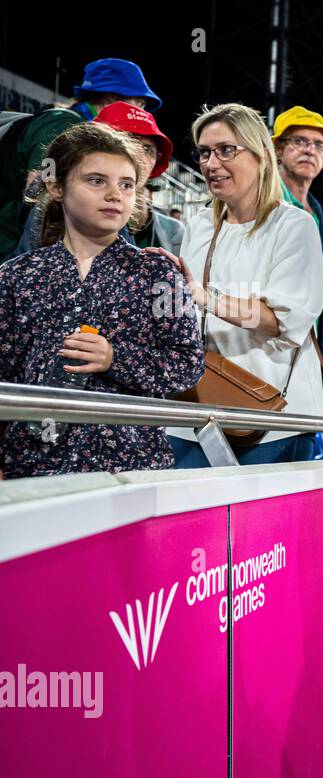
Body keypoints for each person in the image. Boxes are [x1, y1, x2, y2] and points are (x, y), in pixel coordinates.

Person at [0, 123, 203, 477]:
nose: (115, 194)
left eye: (126, 184)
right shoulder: (17, 277)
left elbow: (187, 365)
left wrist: (115, 358)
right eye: (96, 180)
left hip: (130, 469)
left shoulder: (157, 272)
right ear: (56, 186)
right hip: (32, 469)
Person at [161, 103, 323, 467]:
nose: (211, 163)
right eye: (204, 152)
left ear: (261, 155)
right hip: (197, 412)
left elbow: (276, 322)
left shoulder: (295, 226)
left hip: (272, 419)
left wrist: (207, 298)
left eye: (226, 150)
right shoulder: (201, 223)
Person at [1, 58, 161, 262]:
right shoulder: (65, 124)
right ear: (112, 97)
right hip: (12, 255)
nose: (142, 111)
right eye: (139, 102)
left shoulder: (77, 126)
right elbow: (40, 194)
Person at [15, 102, 184, 257]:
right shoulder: (57, 205)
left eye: (148, 149)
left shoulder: (171, 229)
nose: (138, 156)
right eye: (129, 141)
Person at [272, 106, 323, 415]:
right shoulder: (258, 205)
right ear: (277, 149)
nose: (309, 150)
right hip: (263, 356)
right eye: (299, 141)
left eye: (318, 145)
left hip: (308, 362)